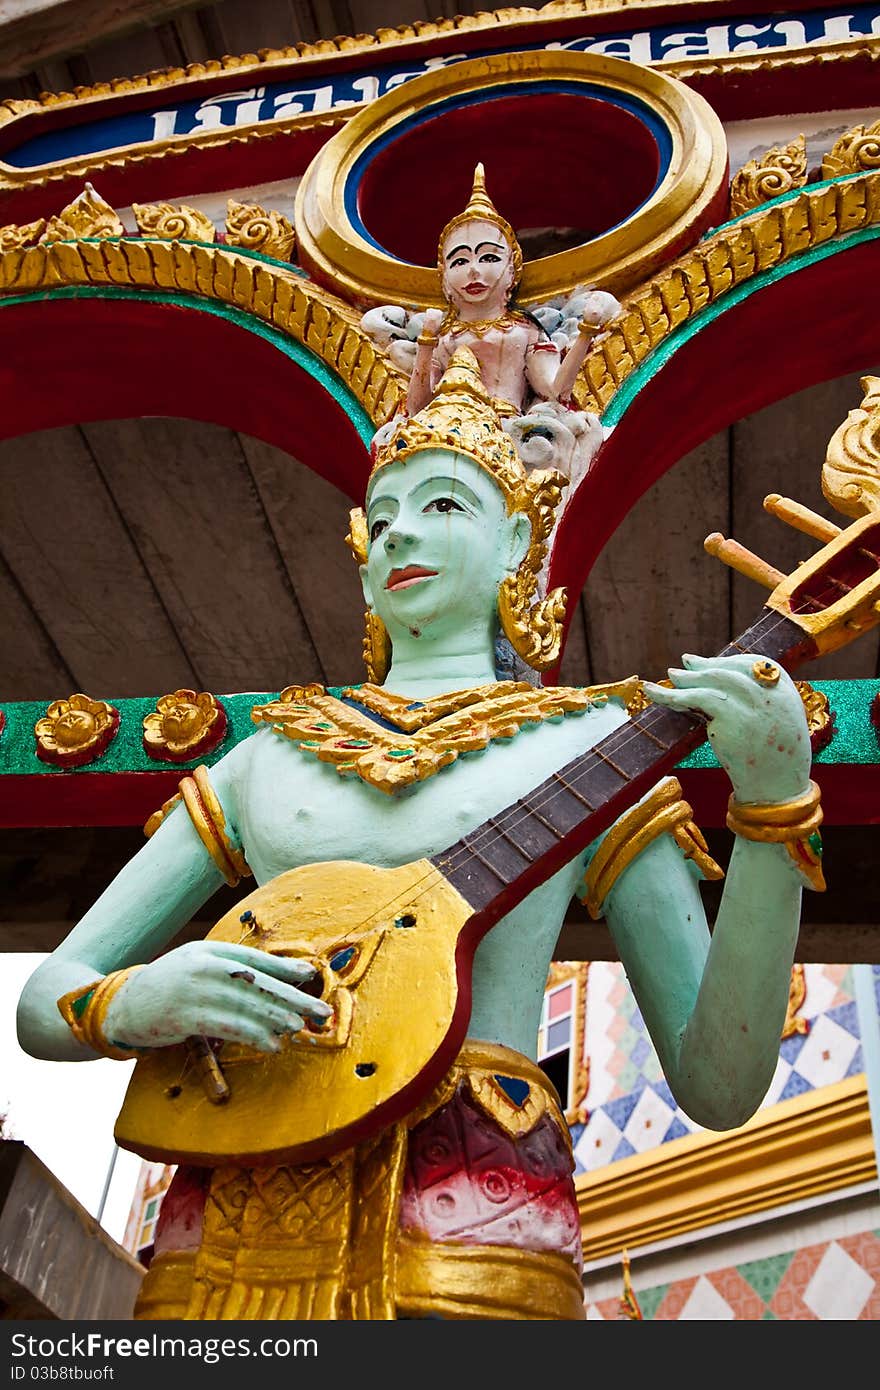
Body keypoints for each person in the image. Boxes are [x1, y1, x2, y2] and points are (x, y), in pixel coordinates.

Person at [16, 349, 821, 1322]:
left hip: (473, 1202)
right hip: (231, 1193)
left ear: (517, 534)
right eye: (382, 516)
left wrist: (774, 806)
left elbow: (717, 1080)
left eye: (441, 504)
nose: (400, 531)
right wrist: (137, 996)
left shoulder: (593, 744)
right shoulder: (270, 754)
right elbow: (45, 999)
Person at [405, 164, 618, 421]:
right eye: (460, 261)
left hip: (507, 432)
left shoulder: (523, 330)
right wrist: (427, 340)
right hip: (451, 427)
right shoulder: (447, 337)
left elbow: (554, 391)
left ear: (512, 271)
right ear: (445, 278)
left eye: (489, 257)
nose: (474, 271)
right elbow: (418, 409)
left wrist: (586, 330)